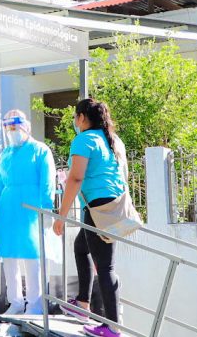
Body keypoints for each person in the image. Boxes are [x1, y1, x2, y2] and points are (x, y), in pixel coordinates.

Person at [52, 98, 128, 337]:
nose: (75, 121)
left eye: (76, 117)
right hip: (113, 205)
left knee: (105, 267)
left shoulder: (84, 140)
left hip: (99, 208)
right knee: (81, 247)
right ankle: (83, 304)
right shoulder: (112, 139)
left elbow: (76, 178)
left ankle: (112, 327)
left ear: (82, 117)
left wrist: (61, 216)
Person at [0, 109, 56, 315]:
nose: (12, 131)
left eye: (15, 126)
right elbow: (0, 182)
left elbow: (48, 181)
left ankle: (35, 304)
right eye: (8, 127)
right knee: (9, 255)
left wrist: (47, 207)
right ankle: (15, 302)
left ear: (26, 126)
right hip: (8, 209)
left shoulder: (40, 150)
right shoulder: (6, 154)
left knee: (32, 255)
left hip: (31, 209)